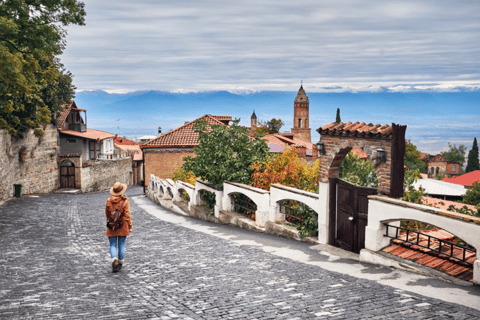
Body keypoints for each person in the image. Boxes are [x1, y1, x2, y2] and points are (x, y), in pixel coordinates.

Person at [105, 182, 132, 273]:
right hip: (123, 225)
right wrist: (130, 225)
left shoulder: (109, 201)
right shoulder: (125, 201)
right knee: (122, 244)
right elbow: (127, 215)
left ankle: (114, 259)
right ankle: (120, 263)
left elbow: (107, 213)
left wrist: (111, 220)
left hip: (112, 225)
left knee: (112, 244)